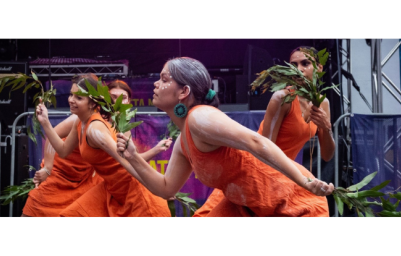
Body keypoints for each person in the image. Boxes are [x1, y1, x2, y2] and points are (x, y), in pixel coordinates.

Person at [116, 57, 334, 217]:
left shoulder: (200, 118)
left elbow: (256, 141)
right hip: (245, 206)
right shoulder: (184, 140)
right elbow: (165, 188)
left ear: (183, 92)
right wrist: (133, 157)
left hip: (294, 203)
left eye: (164, 79)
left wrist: (306, 181)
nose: (155, 84)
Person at [193, 46, 335, 216]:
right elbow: (264, 151)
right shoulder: (282, 98)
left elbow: (327, 155)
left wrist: (326, 128)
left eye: (305, 63)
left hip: (283, 177)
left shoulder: (323, 103)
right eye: (293, 65)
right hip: (257, 174)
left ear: (319, 68)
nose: (299, 70)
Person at [35, 75, 171, 217]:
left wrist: (159, 188)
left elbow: (129, 162)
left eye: (79, 98)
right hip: (111, 187)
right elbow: (63, 151)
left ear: (93, 103)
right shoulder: (80, 122)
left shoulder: (95, 130)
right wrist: (45, 122)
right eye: (71, 95)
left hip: (133, 190)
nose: (71, 100)